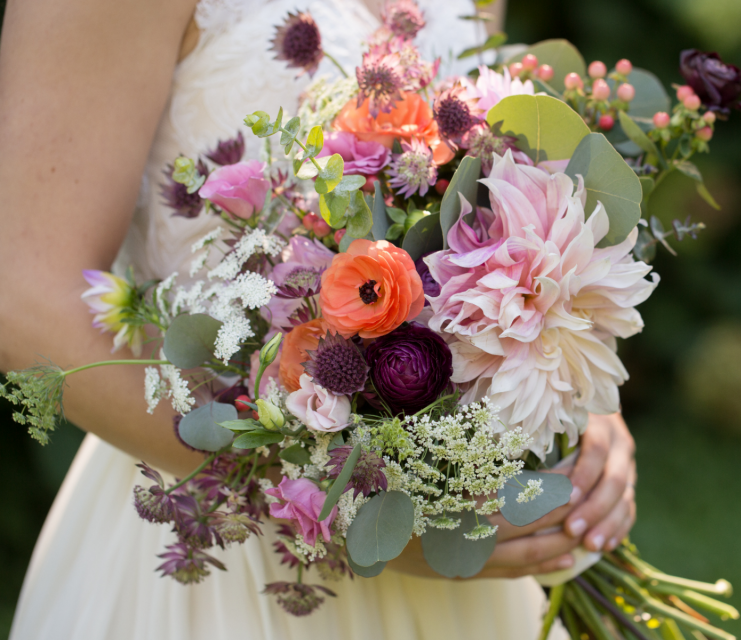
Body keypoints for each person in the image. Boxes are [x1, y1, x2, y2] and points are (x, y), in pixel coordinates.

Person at [0, 0, 638, 637]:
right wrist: (337, 510)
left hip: (456, 552)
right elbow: (25, 303)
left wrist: (574, 390)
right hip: (219, 546)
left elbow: (478, 200)